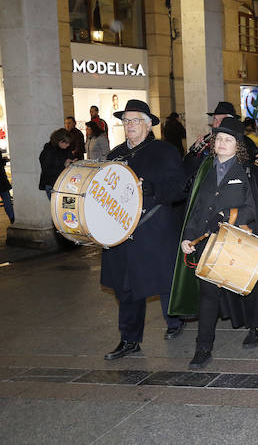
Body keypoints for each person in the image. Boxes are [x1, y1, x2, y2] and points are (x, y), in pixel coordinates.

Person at [175, 117, 258, 369]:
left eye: (227, 140)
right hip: (207, 243)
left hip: (235, 242)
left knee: (244, 290)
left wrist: (228, 215)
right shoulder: (205, 171)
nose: (221, 143)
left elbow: (254, 210)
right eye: (218, 139)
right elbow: (196, 209)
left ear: (237, 145)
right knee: (208, 295)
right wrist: (188, 236)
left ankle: (255, 326)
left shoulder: (248, 171)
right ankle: (203, 347)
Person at [101, 100, 187, 360]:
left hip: (154, 228)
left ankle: (174, 321)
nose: (130, 125)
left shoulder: (164, 151)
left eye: (135, 120)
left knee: (163, 280)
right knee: (125, 285)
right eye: (126, 121)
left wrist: (154, 189)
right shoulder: (114, 155)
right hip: (121, 232)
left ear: (148, 125)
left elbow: (180, 188)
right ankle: (129, 339)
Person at [39, 128, 75, 199]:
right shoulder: (48, 152)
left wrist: (74, 162)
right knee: (58, 209)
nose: (68, 145)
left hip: (64, 183)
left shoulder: (65, 149)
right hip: (52, 184)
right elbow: (47, 171)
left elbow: (70, 159)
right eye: (66, 143)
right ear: (60, 141)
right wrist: (64, 166)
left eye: (69, 143)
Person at [0, 152, 13, 222]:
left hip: (2, 182)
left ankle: (12, 217)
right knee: (7, 202)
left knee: (7, 201)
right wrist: (4, 160)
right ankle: (12, 218)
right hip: (2, 183)